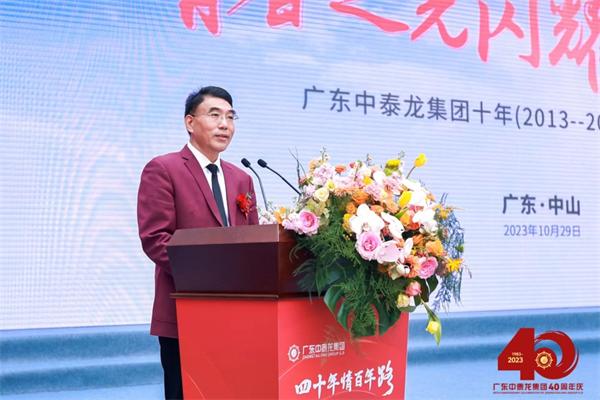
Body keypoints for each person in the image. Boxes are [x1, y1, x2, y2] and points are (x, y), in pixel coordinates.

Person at [137, 86, 259, 399]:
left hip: (238, 316)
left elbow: (253, 241)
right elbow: (156, 239)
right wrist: (212, 278)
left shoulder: (242, 178)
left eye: (230, 117)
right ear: (190, 122)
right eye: (215, 115)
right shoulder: (164, 169)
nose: (225, 124)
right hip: (185, 312)